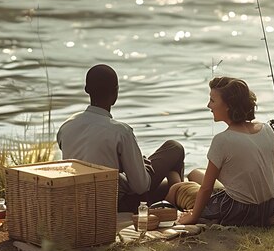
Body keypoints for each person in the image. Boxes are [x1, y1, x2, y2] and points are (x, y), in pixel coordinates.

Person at [57, 64, 185, 213]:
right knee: (174, 147)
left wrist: (123, 164)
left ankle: (176, 195)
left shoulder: (66, 127)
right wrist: (141, 165)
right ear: (116, 93)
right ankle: (180, 204)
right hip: (115, 204)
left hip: (80, 201)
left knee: (161, 183)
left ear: (86, 90)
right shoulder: (120, 132)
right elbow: (141, 186)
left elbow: (89, 159)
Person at [167, 76, 274, 227]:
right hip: (270, 210)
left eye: (212, 100)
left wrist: (193, 216)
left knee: (176, 188)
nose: (208, 105)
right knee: (194, 173)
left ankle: (172, 191)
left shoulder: (222, 140)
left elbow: (206, 189)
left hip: (240, 212)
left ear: (228, 105)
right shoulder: (266, 130)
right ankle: (176, 177)